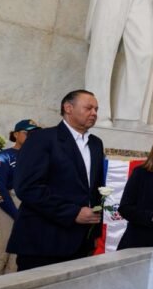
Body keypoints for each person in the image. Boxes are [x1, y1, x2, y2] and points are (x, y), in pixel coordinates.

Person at [7, 90, 106, 271]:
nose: (94, 113)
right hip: (43, 241)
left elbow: (94, 188)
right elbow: (27, 187)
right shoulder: (42, 139)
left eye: (96, 109)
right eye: (89, 108)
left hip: (81, 242)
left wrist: (95, 230)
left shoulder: (96, 144)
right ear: (68, 108)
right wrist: (72, 212)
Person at [0, 119, 40, 275]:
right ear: (16, 134)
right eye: (28, 133)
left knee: (17, 259)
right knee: (0, 256)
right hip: (5, 207)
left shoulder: (37, 158)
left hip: (27, 208)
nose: (31, 136)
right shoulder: (4, 156)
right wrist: (14, 213)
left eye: (35, 134)